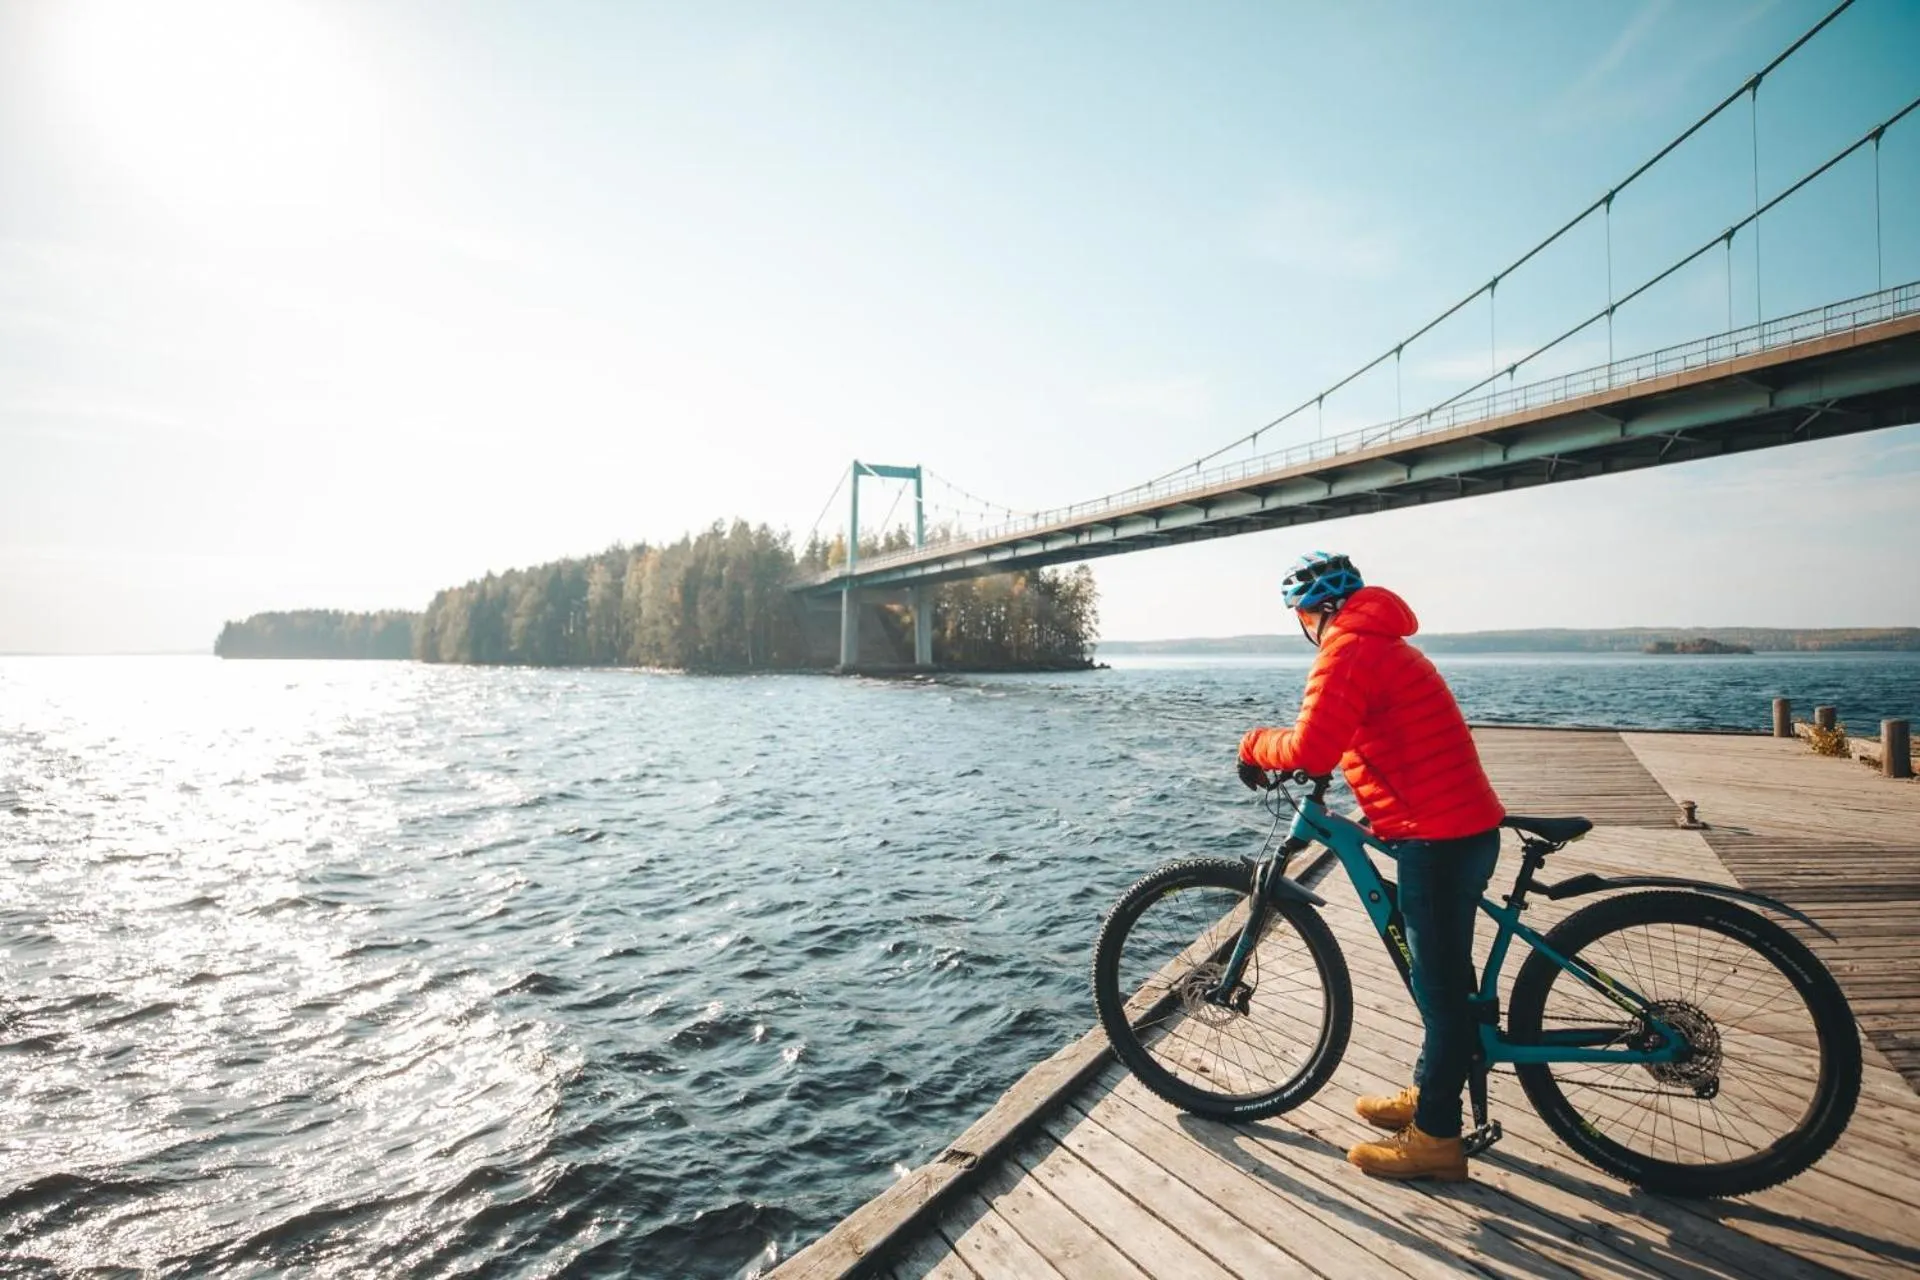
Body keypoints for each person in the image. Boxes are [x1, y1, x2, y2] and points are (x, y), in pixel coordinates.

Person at [1236, 550, 1505, 1182]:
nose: (1303, 627)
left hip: (1437, 839)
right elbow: (1354, 729)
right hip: (1457, 829)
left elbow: (1311, 748)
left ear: (1317, 612)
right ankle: (1433, 1090)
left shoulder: (1348, 648)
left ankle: (1437, 1140)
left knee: (1440, 994)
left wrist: (1253, 744)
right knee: (1445, 981)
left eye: (1301, 616)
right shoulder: (1380, 641)